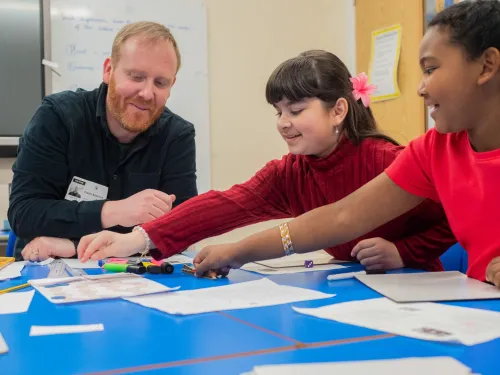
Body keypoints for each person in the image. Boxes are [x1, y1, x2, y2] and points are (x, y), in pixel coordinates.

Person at [184, 0, 500, 286]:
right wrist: (239, 251)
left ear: (486, 66)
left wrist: (404, 251)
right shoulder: (434, 149)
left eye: (431, 69)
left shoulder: (385, 155)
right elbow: (341, 218)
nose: (421, 88)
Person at [77, 50, 457, 272]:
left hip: (416, 297)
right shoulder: (291, 172)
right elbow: (224, 205)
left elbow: (456, 217)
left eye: (296, 109)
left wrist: (402, 252)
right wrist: (136, 239)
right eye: (278, 112)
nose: (284, 123)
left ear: (339, 109)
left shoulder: (388, 161)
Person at [9, 21, 198, 261]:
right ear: (109, 71)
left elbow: (185, 229)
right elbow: (24, 213)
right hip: (49, 270)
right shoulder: (58, 117)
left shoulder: (177, 136)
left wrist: (75, 245)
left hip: (136, 276)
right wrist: (115, 211)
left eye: (160, 83)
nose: (147, 93)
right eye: (136, 76)